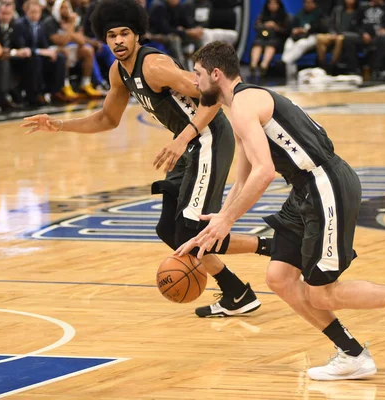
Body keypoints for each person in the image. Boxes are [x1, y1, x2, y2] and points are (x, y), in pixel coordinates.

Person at [176, 41, 385, 380]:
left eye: (198, 74)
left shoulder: (245, 104)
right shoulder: (242, 105)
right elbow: (243, 178)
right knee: (279, 278)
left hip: (326, 185)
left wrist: (228, 220)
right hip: (305, 190)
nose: (194, 81)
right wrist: (217, 222)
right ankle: (352, 354)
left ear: (215, 74)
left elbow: (264, 173)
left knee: (321, 293)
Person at [21, 0, 271, 319]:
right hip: (189, 144)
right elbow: (107, 119)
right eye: (111, 35)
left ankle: (272, 248)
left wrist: (183, 138)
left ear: (137, 34)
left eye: (124, 33)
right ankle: (237, 292)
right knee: (169, 229)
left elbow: (211, 95)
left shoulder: (154, 66)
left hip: (208, 137)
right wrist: (59, 125)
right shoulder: (118, 72)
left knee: (191, 229)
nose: (118, 41)